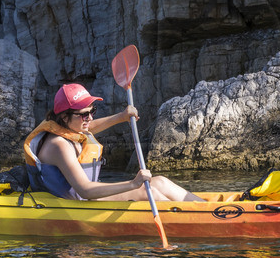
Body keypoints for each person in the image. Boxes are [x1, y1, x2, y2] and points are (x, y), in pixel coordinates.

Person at [23, 83, 201, 202]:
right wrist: (132, 184)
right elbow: (84, 190)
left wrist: (121, 117)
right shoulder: (58, 145)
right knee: (149, 192)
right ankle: (192, 220)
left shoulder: (73, 127)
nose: (90, 117)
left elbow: (89, 126)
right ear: (64, 116)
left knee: (160, 182)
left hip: (85, 197)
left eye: (92, 111)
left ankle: (205, 209)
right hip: (75, 202)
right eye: (84, 114)